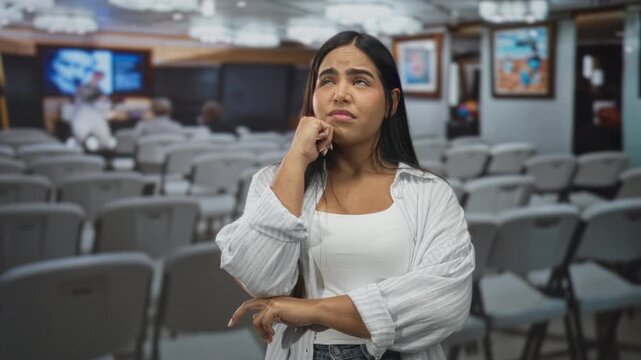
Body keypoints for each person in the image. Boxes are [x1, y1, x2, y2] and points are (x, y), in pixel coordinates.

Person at [217, 31, 474, 360]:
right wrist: (296, 158)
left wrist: (314, 310)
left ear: (391, 103)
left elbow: (443, 303)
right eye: (327, 81)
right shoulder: (274, 181)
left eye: (360, 81)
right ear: (312, 96)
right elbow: (262, 281)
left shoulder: (429, 193)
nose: (340, 94)